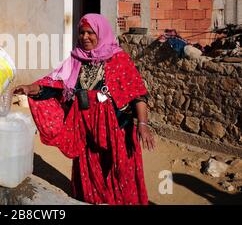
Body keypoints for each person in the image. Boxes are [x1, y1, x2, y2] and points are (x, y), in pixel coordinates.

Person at [14, 13, 155, 205]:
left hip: (117, 131)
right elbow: (55, 85)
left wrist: (143, 124)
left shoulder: (118, 59)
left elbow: (137, 94)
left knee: (121, 173)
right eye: (81, 32)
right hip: (86, 132)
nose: (85, 37)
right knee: (91, 173)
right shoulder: (75, 60)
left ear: (101, 33)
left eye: (91, 32)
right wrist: (31, 88)